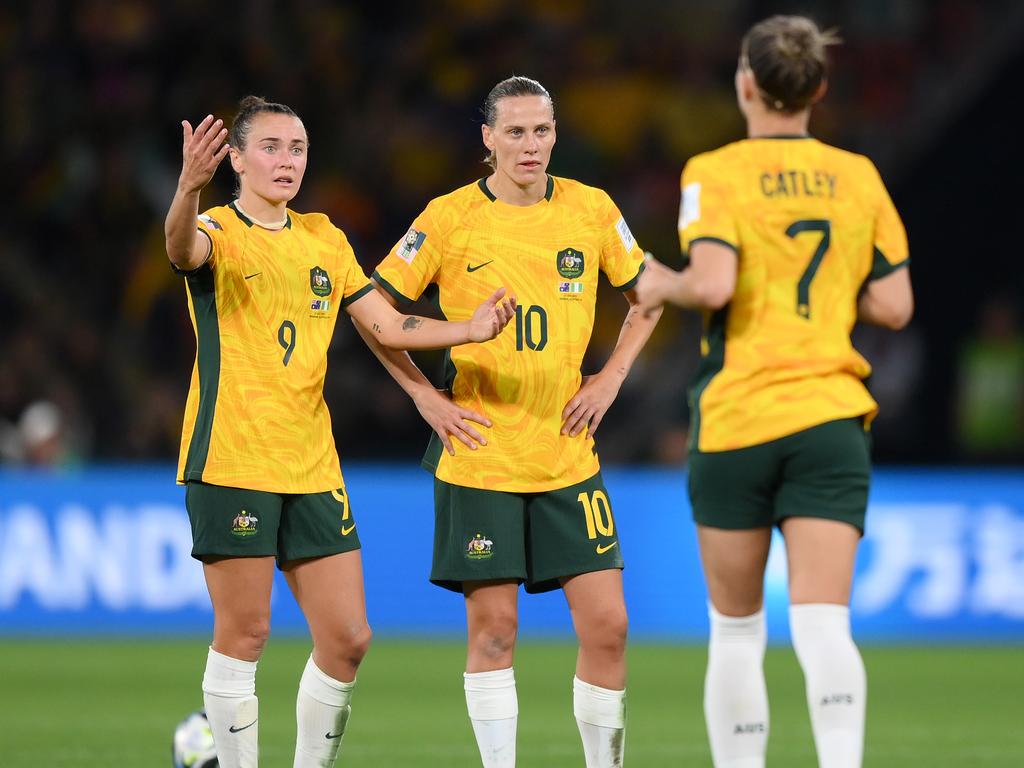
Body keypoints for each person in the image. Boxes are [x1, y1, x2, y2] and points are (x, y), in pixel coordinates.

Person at [164, 95, 515, 768]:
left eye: (296, 148)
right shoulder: (217, 228)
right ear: (234, 158)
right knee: (247, 632)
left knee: (349, 637)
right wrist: (186, 188)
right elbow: (181, 249)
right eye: (269, 147)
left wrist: (464, 333)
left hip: (312, 465)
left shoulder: (325, 237)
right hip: (233, 456)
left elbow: (383, 325)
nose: (286, 160)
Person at [357, 76, 661, 767]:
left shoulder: (591, 209)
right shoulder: (449, 217)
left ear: (557, 133)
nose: (531, 144)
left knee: (609, 625)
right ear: (488, 140)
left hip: (566, 453)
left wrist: (610, 378)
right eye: (516, 132)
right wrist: (422, 396)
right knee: (494, 631)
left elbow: (648, 297)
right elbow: (375, 314)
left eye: (543, 129)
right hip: (481, 453)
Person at [635, 16, 913, 768]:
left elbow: (716, 282)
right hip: (829, 416)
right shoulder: (858, 175)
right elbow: (894, 305)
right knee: (826, 626)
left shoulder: (714, 170)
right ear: (818, 88)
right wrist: (818, 296)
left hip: (739, 418)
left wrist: (666, 280)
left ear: (746, 82)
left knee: (735, 630)